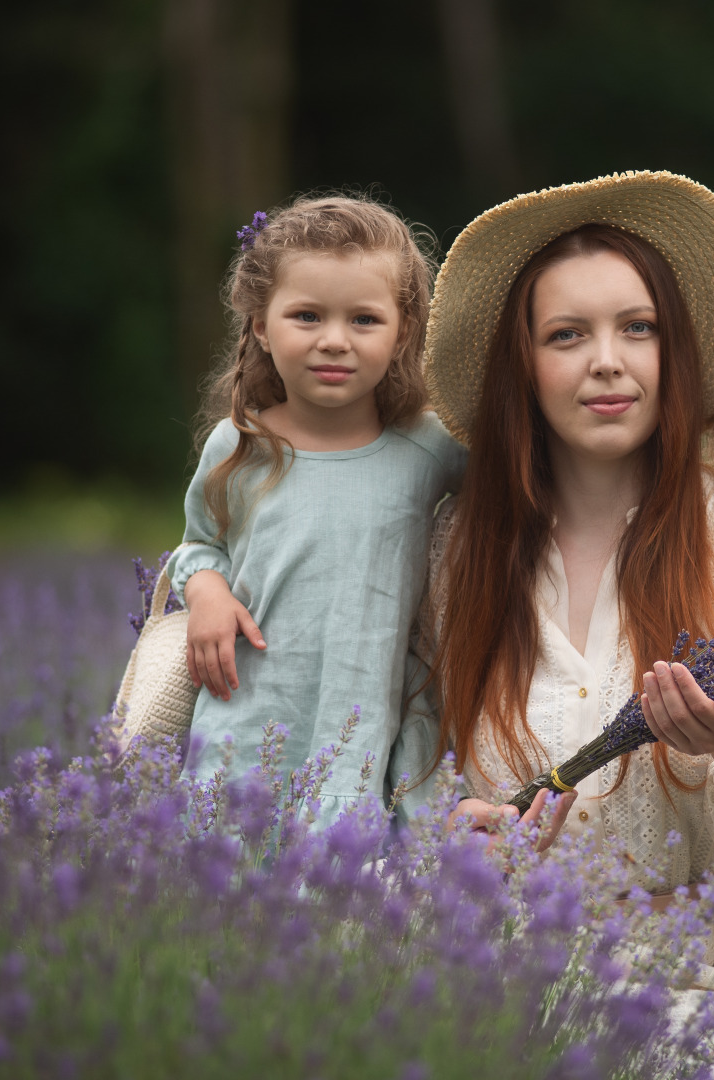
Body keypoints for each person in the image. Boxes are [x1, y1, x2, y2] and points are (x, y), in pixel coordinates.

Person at [421, 172, 714, 1078]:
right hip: (505, 972)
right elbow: (404, 770)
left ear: (673, 353)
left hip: (711, 998)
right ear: (523, 369)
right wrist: (453, 837)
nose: (606, 361)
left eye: (637, 328)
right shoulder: (456, 556)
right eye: (566, 335)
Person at [169, 194, 465, 821]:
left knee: (338, 903)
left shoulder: (426, 446)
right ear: (259, 324)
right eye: (306, 316)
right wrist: (207, 595)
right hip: (242, 723)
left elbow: (522, 494)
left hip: (357, 724)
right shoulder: (242, 444)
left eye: (364, 320)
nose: (335, 341)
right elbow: (200, 546)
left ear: (403, 331)